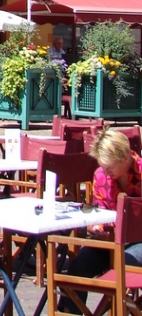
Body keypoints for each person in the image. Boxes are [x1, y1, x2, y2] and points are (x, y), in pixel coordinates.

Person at [58, 129, 142, 312]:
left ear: (125, 158)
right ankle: (70, 312)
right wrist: (97, 227)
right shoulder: (100, 176)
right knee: (78, 267)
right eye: (103, 166)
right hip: (110, 240)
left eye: (110, 167)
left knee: (126, 264)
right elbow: (100, 208)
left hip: (139, 241)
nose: (106, 171)